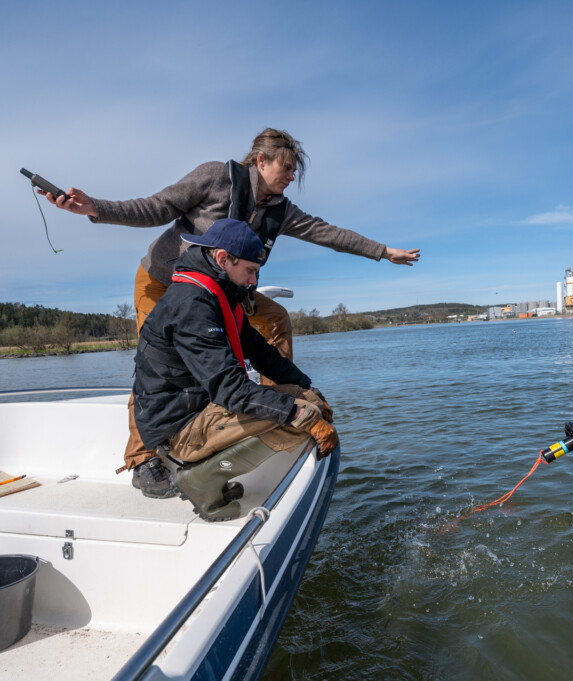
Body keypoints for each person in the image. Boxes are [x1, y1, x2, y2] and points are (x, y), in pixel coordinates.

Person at [43, 128, 418, 474]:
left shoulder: (280, 209)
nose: (291, 177)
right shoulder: (215, 178)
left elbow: (327, 233)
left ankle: (273, 403)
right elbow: (155, 207)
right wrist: (95, 208)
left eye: (293, 172)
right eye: (286, 168)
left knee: (276, 319)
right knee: (155, 362)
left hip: (224, 289)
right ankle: (141, 458)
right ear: (260, 160)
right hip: (162, 282)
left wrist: (383, 252)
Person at [131, 218, 338, 521]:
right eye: (251, 271)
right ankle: (201, 480)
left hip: (196, 410)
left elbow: (263, 354)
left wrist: (308, 387)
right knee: (304, 414)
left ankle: (214, 474)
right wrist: (301, 413)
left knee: (308, 400)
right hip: (178, 430)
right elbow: (231, 391)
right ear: (223, 259)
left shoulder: (217, 295)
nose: (254, 281)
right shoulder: (193, 306)